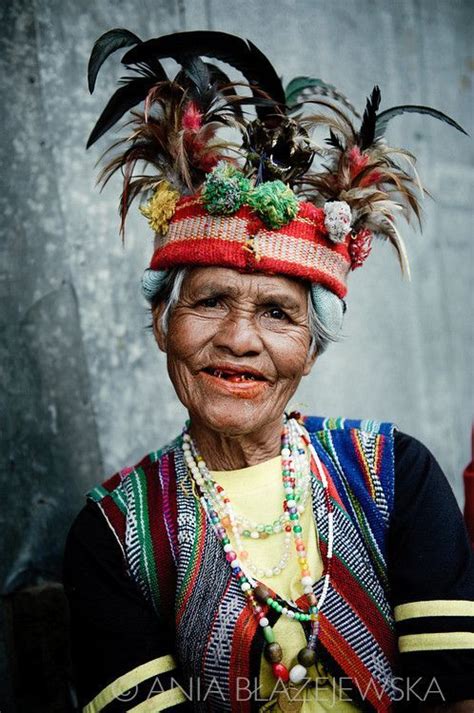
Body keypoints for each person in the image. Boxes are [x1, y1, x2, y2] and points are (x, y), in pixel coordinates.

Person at [63, 29, 474, 713]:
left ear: (313, 346)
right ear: (163, 324)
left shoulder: (397, 475)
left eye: (278, 313)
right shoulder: (113, 535)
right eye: (210, 300)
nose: (239, 339)